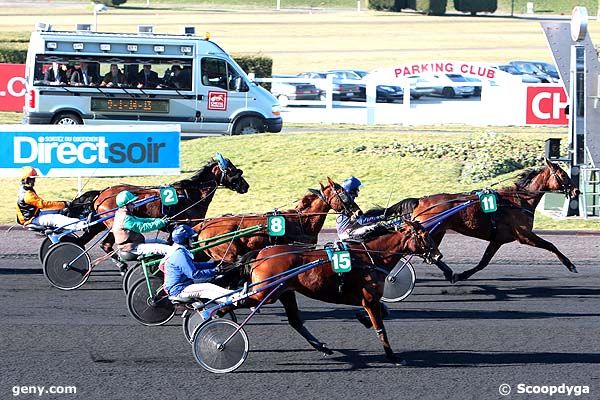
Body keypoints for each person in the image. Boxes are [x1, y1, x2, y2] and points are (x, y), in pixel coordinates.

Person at [163, 225, 238, 303]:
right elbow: (194, 274)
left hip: (183, 284)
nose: (194, 240)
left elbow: (195, 265)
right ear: (185, 240)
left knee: (215, 280)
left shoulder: (180, 251)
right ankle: (235, 298)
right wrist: (214, 271)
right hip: (179, 289)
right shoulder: (180, 254)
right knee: (208, 288)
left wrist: (213, 264)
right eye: (192, 238)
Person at [16, 166, 87, 231]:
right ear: (25, 179)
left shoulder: (25, 189)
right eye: (32, 179)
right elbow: (43, 205)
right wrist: (63, 204)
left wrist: (62, 205)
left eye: (34, 178)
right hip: (32, 219)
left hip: (36, 215)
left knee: (60, 211)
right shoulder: (27, 194)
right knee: (56, 218)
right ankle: (81, 225)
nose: (34, 181)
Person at [111, 190, 171, 264]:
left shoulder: (122, 213)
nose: (134, 205)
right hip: (132, 247)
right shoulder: (125, 219)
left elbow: (141, 220)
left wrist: (157, 220)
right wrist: (160, 223)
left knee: (163, 243)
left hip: (135, 243)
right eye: (131, 203)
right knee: (169, 250)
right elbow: (142, 227)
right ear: (125, 206)